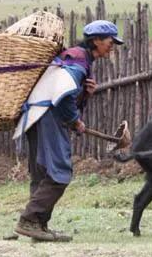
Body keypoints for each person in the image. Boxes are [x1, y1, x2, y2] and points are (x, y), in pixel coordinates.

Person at [14, 20, 123, 241]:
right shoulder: (78, 58)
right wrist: (75, 120)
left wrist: (85, 94)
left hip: (36, 116)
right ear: (97, 41)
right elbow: (62, 97)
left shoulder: (77, 58)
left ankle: (38, 226)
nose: (113, 46)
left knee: (43, 172)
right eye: (111, 42)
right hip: (49, 117)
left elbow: (66, 91)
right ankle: (29, 220)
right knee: (59, 173)